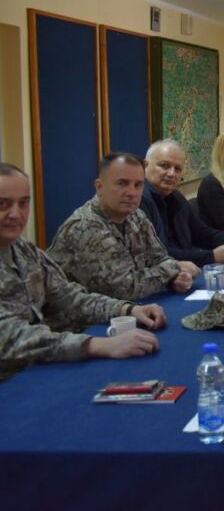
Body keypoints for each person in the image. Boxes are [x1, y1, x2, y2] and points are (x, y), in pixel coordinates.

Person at [0, 163, 166, 382]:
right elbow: (9, 337)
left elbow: (69, 298)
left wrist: (127, 309)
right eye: (3, 204)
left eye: (23, 203)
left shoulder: (24, 250)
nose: (15, 214)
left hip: (40, 369)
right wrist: (96, 345)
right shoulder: (84, 225)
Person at [47, 153, 195, 300]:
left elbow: (160, 259)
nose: (131, 193)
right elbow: (123, 289)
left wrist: (175, 279)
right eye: (122, 183)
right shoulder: (85, 227)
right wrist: (174, 269)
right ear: (99, 187)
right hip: (80, 314)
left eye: (138, 185)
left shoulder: (136, 216)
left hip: (128, 308)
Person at [139, 139, 224, 266]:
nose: (171, 173)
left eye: (178, 169)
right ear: (145, 165)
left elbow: (204, 234)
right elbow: (156, 254)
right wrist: (211, 256)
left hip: (187, 270)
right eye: (164, 166)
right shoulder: (139, 202)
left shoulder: (176, 196)